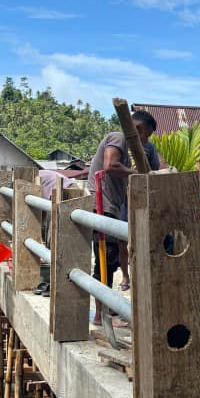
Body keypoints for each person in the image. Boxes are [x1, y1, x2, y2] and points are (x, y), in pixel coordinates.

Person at [86, 110, 158, 325]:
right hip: (102, 205)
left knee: (109, 261)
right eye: (146, 136)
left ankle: (105, 311)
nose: (145, 141)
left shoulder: (127, 146)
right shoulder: (118, 137)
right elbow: (110, 166)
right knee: (105, 262)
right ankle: (101, 316)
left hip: (110, 206)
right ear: (139, 130)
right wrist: (134, 172)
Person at [34, 168, 87, 296]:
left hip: (65, 193)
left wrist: (39, 236)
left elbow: (38, 212)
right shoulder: (37, 176)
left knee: (56, 241)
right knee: (56, 241)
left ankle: (57, 284)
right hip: (65, 191)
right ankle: (57, 282)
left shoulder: (28, 181)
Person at [116, 141, 161, 290]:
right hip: (123, 197)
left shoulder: (149, 147)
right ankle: (125, 275)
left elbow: (153, 170)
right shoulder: (121, 144)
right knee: (122, 240)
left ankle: (143, 275)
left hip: (142, 197)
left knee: (144, 238)